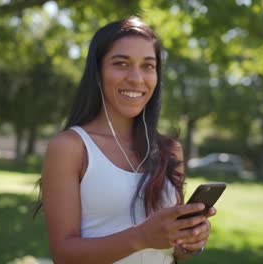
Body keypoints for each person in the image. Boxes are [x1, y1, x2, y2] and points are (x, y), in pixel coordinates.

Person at [36, 16, 217, 264]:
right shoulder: (71, 147)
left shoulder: (169, 150)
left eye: (148, 66)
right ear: (97, 71)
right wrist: (142, 236)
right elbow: (63, 254)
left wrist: (189, 241)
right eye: (121, 63)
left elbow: (173, 252)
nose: (136, 78)